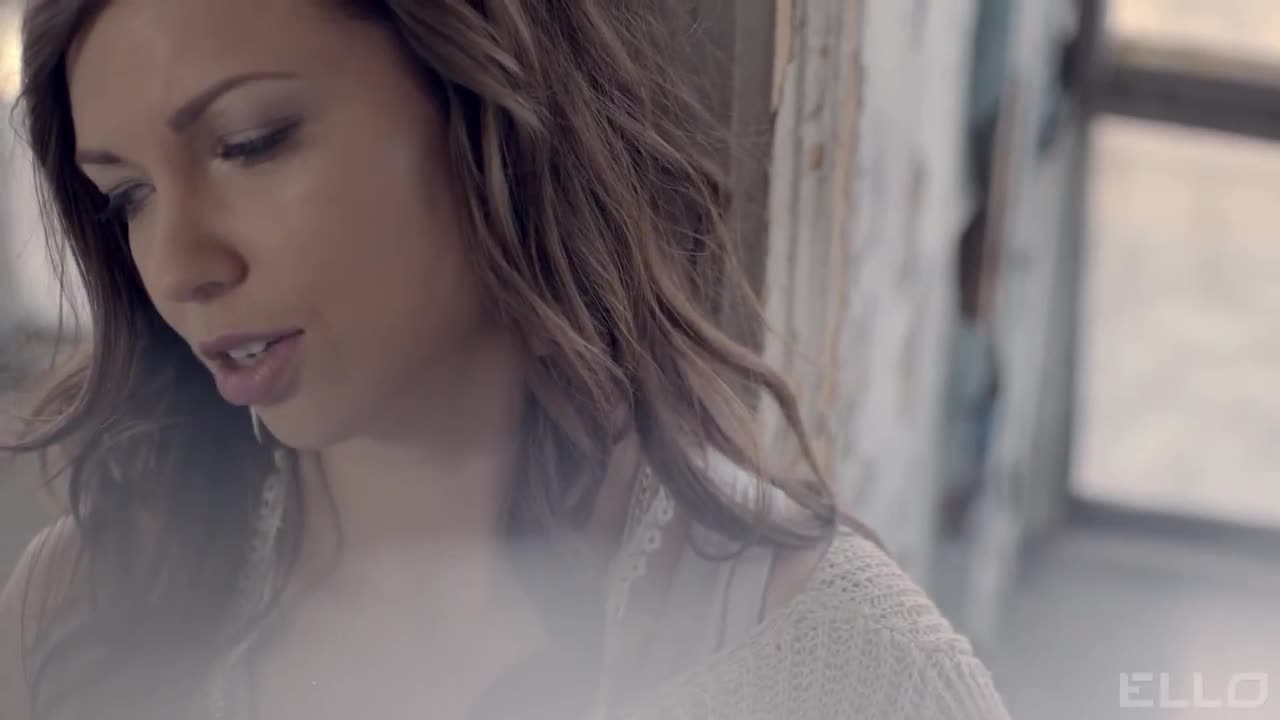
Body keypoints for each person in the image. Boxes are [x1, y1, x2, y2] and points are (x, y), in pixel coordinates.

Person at [0, 1, 1012, 718]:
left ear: (482, 95)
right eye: (128, 197)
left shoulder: (843, 669)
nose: (180, 266)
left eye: (251, 142)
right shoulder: (85, 602)